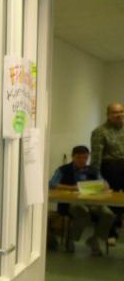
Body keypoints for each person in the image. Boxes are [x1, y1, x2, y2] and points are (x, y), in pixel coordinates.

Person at [49, 145, 114, 255]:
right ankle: (71, 238)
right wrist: (71, 188)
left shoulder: (92, 170)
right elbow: (52, 184)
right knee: (83, 214)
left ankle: (95, 240)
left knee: (108, 214)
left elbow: (105, 184)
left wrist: (104, 186)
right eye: (79, 158)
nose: (82, 160)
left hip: (92, 201)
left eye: (85, 158)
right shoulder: (63, 170)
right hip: (71, 202)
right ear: (72, 157)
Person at [91, 102, 124, 245]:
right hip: (110, 168)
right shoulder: (100, 131)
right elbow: (96, 157)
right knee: (111, 203)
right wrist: (99, 178)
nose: (119, 115)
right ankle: (111, 233)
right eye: (115, 112)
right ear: (108, 115)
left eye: (121, 111)